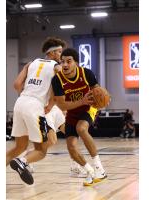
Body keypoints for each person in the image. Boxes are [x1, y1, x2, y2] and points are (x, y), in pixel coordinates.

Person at [6, 37, 67, 185]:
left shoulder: (30, 64)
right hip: (35, 107)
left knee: (19, 146)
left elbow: (16, 85)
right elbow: (60, 87)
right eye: (59, 52)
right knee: (41, 150)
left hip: (20, 103)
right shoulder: (56, 67)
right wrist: (51, 105)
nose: (61, 55)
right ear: (51, 53)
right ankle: (22, 161)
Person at [51, 48, 107, 186]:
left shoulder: (86, 73)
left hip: (88, 108)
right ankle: (89, 172)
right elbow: (63, 106)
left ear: (76, 62)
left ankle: (99, 169)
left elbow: (98, 91)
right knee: (71, 149)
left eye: (68, 61)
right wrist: (81, 101)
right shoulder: (57, 80)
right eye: (62, 61)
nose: (65, 64)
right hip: (72, 111)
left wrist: (103, 98)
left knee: (81, 128)